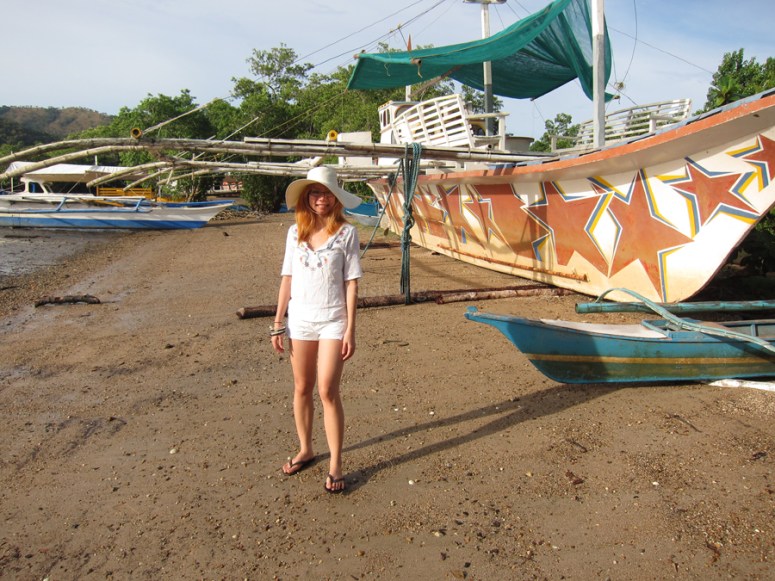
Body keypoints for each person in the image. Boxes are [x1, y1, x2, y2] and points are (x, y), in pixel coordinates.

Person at [271, 166, 363, 494]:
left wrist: (351, 329)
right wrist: (278, 322)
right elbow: (287, 278)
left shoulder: (347, 233)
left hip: (333, 321)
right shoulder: (294, 233)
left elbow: (351, 283)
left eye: (326, 193)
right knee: (301, 386)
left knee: (327, 390)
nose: (321, 199)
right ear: (306, 197)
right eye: (315, 192)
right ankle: (306, 449)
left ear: (336, 198)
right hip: (299, 320)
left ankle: (336, 462)